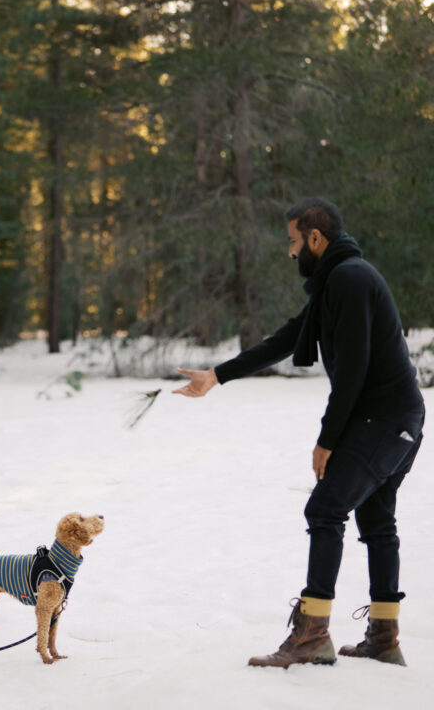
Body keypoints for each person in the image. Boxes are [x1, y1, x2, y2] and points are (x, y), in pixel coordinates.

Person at [175, 198, 424, 668]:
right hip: (395, 421)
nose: (290, 252)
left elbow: (352, 372)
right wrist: (218, 375)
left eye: (293, 241)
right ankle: (384, 638)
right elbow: (287, 339)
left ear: (315, 238)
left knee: (326, 507)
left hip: (386, 421)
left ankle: (312, 635)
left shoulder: (350, 279)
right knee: (376, 521)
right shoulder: (336, 280)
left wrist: (327, 440)